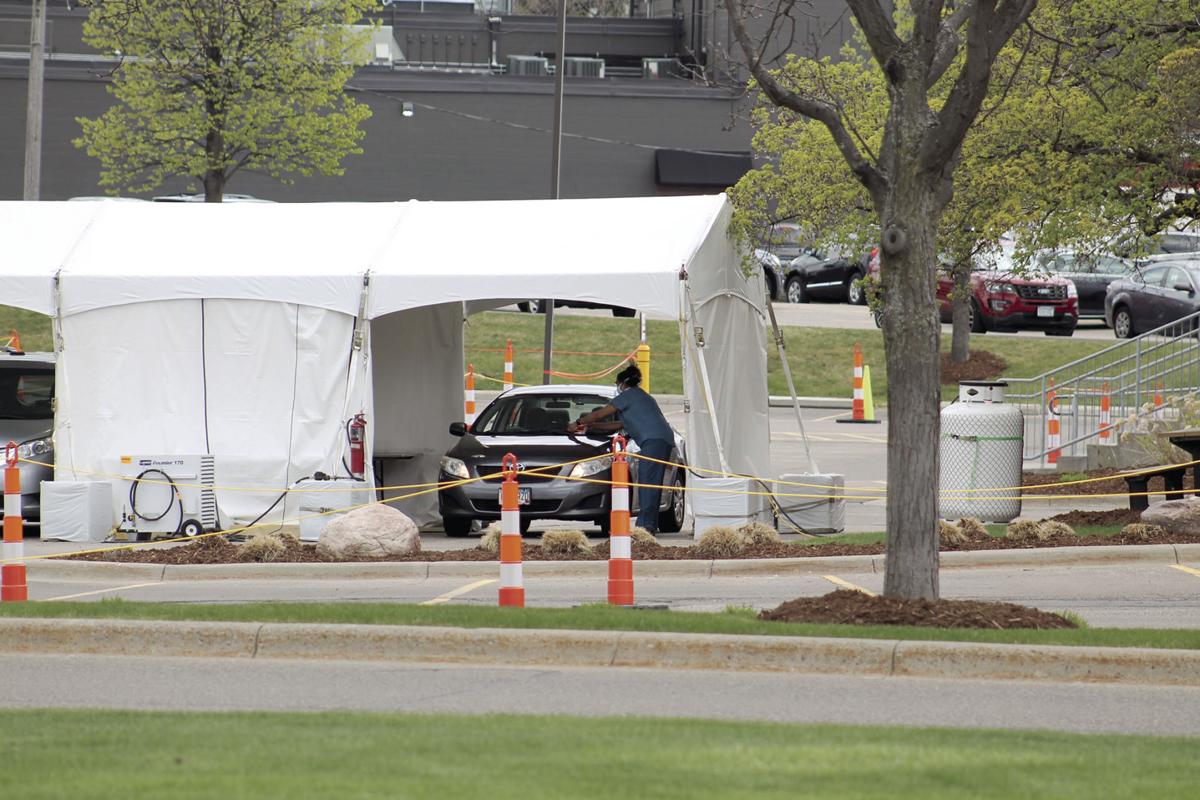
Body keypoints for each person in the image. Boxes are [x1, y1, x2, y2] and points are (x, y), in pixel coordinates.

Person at [568, 364, 674, 533]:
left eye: (617, 383)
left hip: (653, 442)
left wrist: (578, 423)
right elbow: (618, 424)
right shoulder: (643, 397)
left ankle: (645, 527)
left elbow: (599, 413)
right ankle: (649, 525)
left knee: (648, 483)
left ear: (623, 384)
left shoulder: (627, 396)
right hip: (663, 440)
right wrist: (594, 426)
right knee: (652, 483)